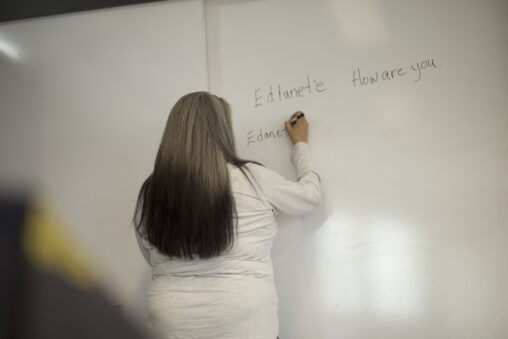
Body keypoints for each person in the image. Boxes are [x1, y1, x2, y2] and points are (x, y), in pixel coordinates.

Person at [133, 92, 321, 339]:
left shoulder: (151, 191)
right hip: (245, 323)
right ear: (222, 131)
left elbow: (150, 254)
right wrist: (300, 145)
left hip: (172, 324)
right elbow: (310, 196)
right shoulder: (253, 179)